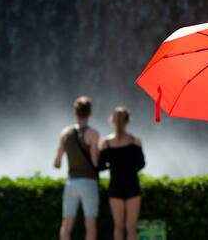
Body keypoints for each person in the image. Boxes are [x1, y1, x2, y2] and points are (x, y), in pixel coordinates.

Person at [53, 96, 100, 240]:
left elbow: (57, 163)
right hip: (89, 182)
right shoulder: (93, 134)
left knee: (67, 225)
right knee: (90, 225)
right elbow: (95, 161)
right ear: (90, 113)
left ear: (75, 113)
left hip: (71, 182)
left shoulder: (65, 133)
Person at [98, 107, 145, 240]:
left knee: (118, 227)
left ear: (112, 121)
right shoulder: (134, 141)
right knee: (131, 227)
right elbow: (141, 164)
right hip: (132, 185)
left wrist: (113, 165)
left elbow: (100, 166)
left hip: (115, 186)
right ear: (128, 121)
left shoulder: (106, 143)